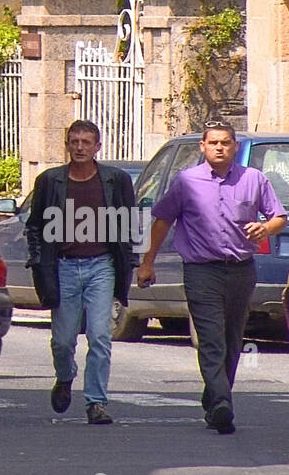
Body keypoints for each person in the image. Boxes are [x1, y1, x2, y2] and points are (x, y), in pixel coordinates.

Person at [140, 120, 287, 434]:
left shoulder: (254, 179)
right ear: (202, 147)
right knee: (210, 337)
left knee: (232, 338)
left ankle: (215, 394)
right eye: (214, 143)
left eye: (226, 143)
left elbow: (278, 216)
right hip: (201, 270)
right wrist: (147, 262)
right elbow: (163, 221)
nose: (220, 148)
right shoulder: (186, 181)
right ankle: (222, 403)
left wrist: (265, 228)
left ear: (234, 146)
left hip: (240, 270)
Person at [25, 120, 139, 426]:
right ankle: (64, 377)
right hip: (63, 265)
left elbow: (129, 224)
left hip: (102, 264)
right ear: (67, 145)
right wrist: (39, 261)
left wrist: (133, 263)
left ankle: (96, 402)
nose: (79, 147)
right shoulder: (50, 181)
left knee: (100, 335)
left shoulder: (115, 180)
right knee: (63, 341)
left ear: (97, 147)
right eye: (74, 141)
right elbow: (35, 226)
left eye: (86, 142)